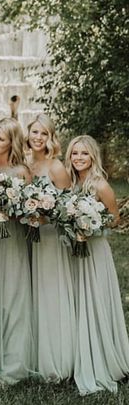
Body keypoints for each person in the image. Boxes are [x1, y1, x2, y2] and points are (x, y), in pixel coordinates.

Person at [65, 135, 129, 395]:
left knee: (94, 300)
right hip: (73, 249)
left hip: (95, 250)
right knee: (77, 299)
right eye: (74, 154)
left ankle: (102, 356)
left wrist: (90, 224)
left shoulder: (101, 185)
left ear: (93, 157)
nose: (79, 158)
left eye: (84, 154)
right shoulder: (71, 183)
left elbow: (114, 219)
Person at [26, 114, 76, 381]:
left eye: (43, 134)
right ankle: (33, 354)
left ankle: (57, 358)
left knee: (49, 294)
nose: (38, 137)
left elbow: (69, 209)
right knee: (31, 294)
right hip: (27, 238)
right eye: (34, 132)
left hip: (48, 239)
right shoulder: (26, 164)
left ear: (50, 138)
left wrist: (44, 216)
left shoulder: (56, 168)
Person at [0, 117, 33, 383]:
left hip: (13, 238)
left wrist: (9, 209)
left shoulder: (22, 172)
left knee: (13, 294)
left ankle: (14, 363)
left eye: (0, 139)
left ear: (11, 142)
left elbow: (30, 210)